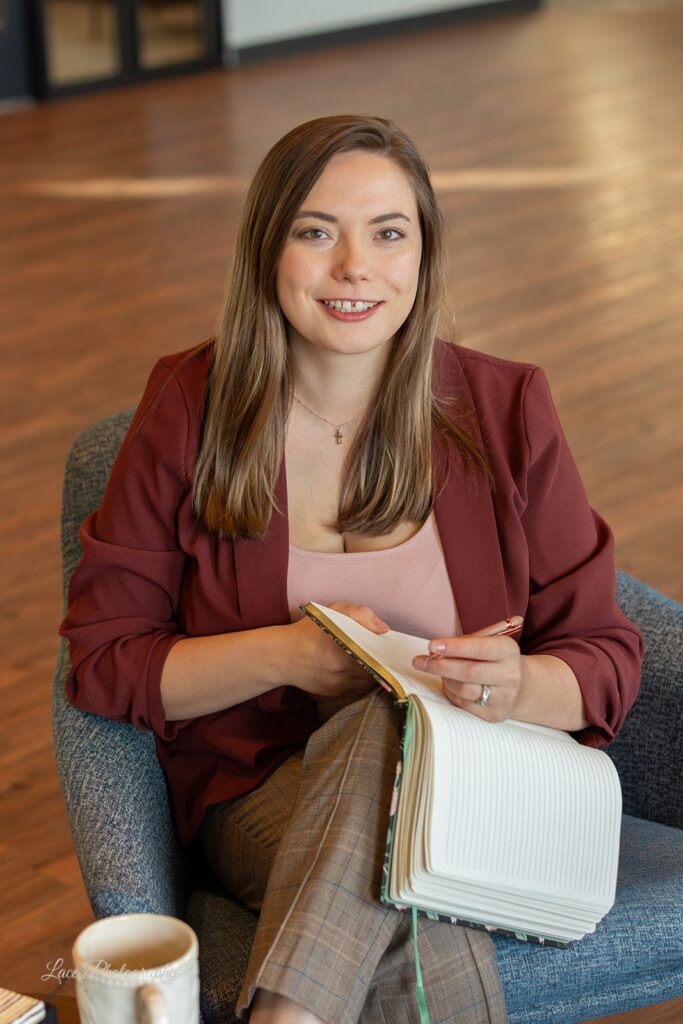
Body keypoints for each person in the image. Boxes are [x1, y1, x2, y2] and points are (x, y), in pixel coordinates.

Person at [61, 114, 643, 1024]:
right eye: (314, 231)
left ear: (422, 253)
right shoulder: (188, 409)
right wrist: (291, 655)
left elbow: (606, 656)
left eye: (387, 233)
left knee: (393, 729)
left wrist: (512, 685)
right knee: (381, 747)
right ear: (268, 249)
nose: (354, 268)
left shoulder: (504, 407)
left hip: (473, 793)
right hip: (256, 789)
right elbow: (105, 664)